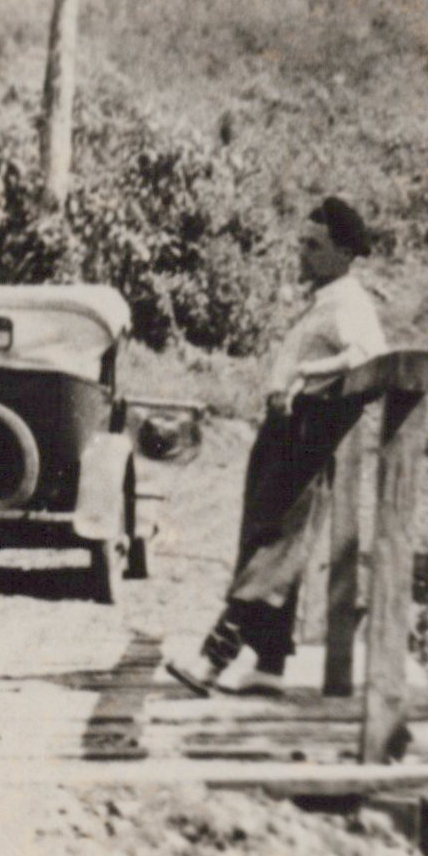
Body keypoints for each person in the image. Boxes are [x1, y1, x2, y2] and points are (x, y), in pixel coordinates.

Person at [168, 196, 388, 696]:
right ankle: (270, 664)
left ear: (344, 253)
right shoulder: (324, 300)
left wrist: (309, 373)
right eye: (302, 244)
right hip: (286, 432)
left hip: (311, 436)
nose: (303, 254)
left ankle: (212, 658)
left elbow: (369, 356)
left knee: (276, 549)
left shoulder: (350, 302)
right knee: (263, 538)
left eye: (315, 246)